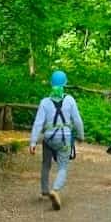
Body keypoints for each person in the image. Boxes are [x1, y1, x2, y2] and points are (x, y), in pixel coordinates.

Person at [29, 70, 85, 211]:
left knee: (46, 164)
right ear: (65, 84)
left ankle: (44, 190)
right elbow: (77, 121)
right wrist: (81, 135)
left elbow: (38, 123)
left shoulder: (45, 102)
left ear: (51, 84)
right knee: (62, 167)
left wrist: (33, 142)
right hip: (65, 139)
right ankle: (55, 189)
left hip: (48, 139)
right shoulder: (70, 100)